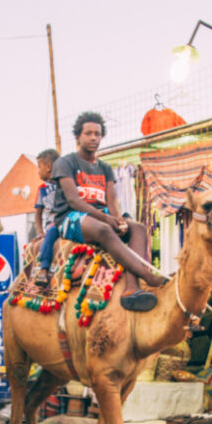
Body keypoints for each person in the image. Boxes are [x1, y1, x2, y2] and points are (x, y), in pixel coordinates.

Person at [51, 111, 164, 311]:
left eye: (97, 134)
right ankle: (147, 275)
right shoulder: (65, 163)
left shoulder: (105, 168)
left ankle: (132, 287)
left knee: (137, 228)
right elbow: (73, 200)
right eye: (88, 133)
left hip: (100, 214)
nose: (94, 137)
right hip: (71, 217)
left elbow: (112, 199)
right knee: (104, 230)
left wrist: (119, 219)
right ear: (78, 137)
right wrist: (107, 219)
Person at [32, 148, 60, 287]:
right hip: (53, 224)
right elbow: (38, 213)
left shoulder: (64, 184)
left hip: (67, 220)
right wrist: (39, 231)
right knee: (51, 233)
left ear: (48, 167)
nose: (38, 170)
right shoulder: (42, 189)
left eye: (39, 166)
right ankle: (44, 268)